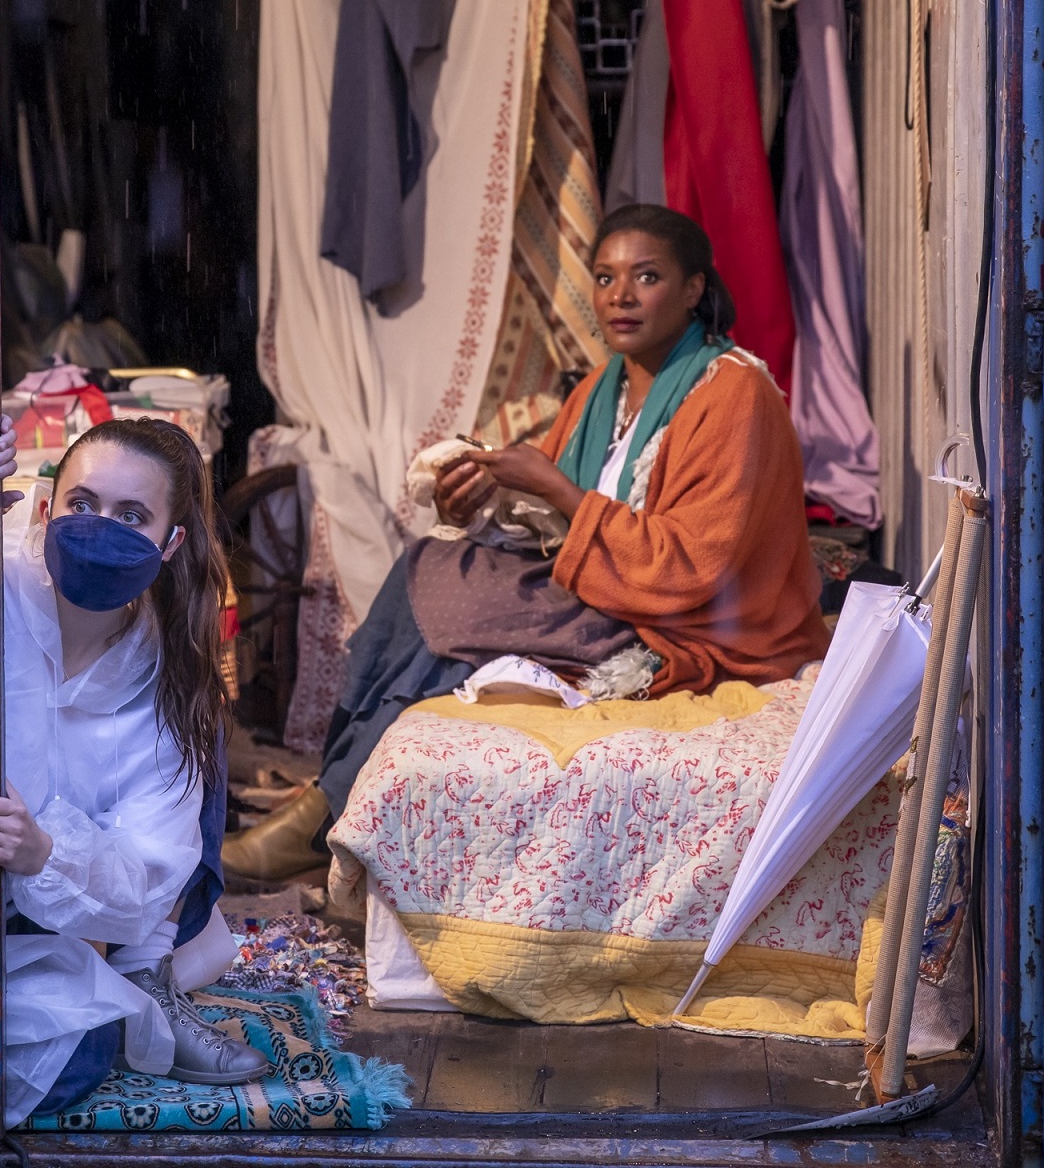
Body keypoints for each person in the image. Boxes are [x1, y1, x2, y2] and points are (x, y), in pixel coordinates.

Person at [224, 204, 832, 880]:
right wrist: (484, 497)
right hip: (610, 586)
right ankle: (330, 797)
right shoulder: (607, 387)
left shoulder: (735, 395)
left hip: (683, 623)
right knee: (431, 565)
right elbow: (547, 518)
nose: (620, 297)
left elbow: (696, 568)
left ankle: (324, 811)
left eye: (647, 277)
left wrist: (557, 491)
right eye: (604, 278)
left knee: (451, 619)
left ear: (693, 290)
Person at [0, 417, 267, 1125]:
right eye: (82, 504)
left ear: (170, 543)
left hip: (44, 910)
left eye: (131, 516)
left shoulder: (166, 672)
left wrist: (43, 852)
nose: (98, 528)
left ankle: (145, 978)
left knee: (199, 724)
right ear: (44, 507)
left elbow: (145, 873)